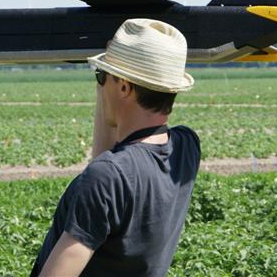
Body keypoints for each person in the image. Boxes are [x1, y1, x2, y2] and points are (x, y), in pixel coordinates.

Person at [30, 19, 201, 277]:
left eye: (102, 76)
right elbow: (114, 163)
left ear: (123, 87)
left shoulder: (109, 175)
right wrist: (108, 76)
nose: (101, 85)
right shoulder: (187, 146)